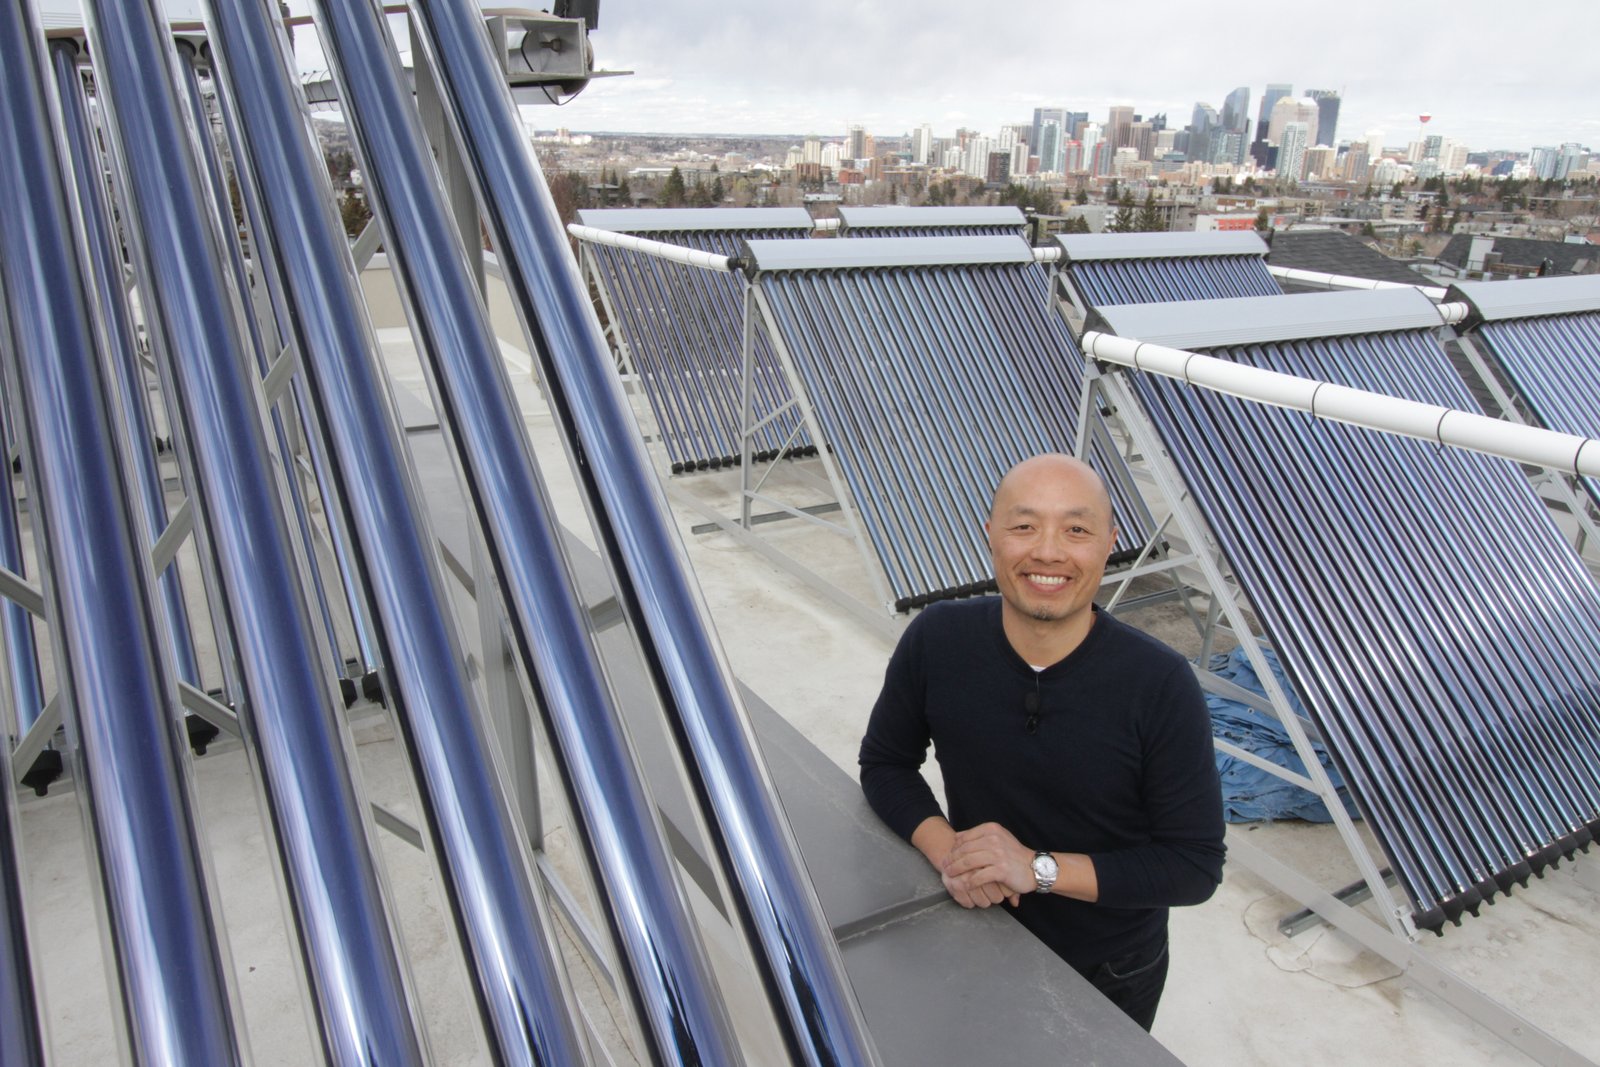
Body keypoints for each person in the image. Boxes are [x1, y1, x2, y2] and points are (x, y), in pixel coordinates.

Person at [858, 453, 1225, 1031]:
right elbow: (885, 764)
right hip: (976, 927)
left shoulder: (1158, 683)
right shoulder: (938, 638)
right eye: (1024, 526)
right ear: (991, 536)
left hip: (1110, 967)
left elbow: (1193, 865)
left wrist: (1037, 868)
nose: (1049, 552)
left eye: (1076, 530)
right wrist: (951, 853)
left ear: (1109, 542)